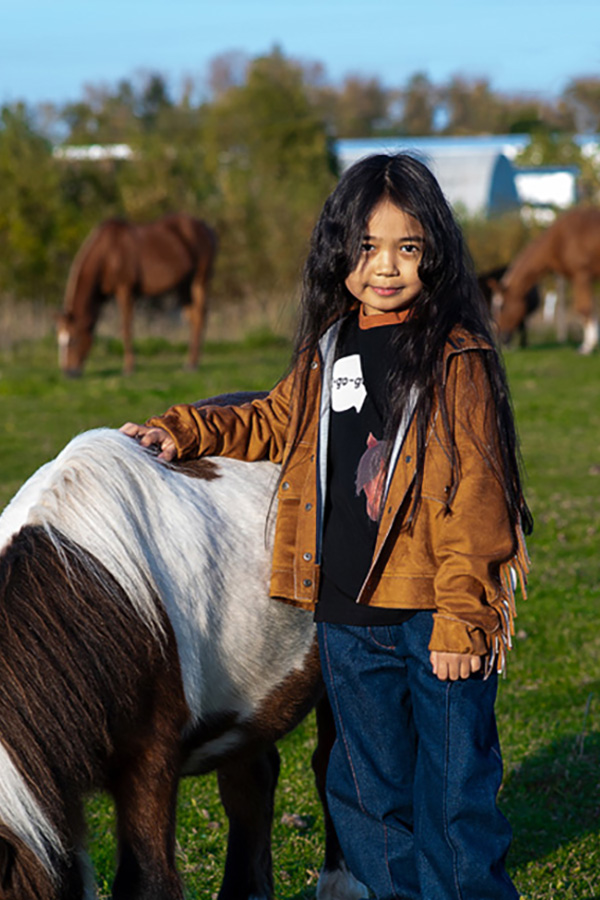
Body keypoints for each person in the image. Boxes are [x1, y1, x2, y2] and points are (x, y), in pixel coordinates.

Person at [120, 153, 531, 900]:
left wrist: (465, 619)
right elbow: (271, 420)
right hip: (345, 619)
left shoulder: (456, 358)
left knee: (453, 800)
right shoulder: (330, 349)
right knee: (367, 797)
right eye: (367, 248)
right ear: (338, 253)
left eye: (408, 248)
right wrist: (183, 430)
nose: (386, 267)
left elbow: (481, 495)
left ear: (434, 253)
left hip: (433, 620)